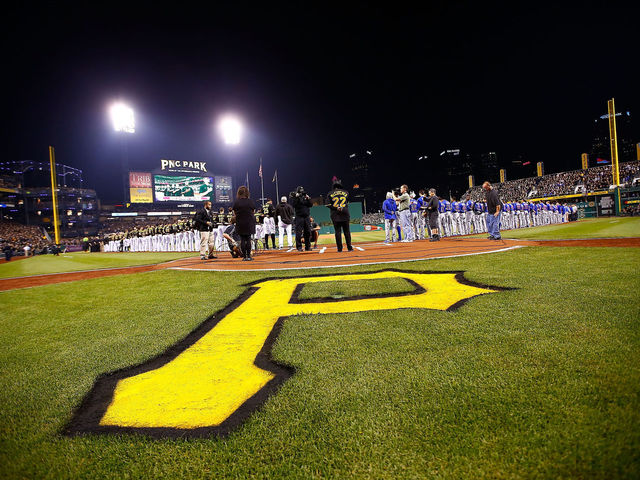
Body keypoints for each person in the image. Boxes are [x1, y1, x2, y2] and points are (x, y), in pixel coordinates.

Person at [326, 179, 353, 252]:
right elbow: (347, 202)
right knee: (347, 232)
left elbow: (327, 204)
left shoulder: (330, 193)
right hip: (345, 213)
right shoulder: (346, 192)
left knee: (337, 232)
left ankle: (339, 249)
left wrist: (336, 207)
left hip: (335, 214)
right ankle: (349, 247)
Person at [232, 186, 257, 261]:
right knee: (248, 239)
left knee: (242, 240)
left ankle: (244, 257)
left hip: (240, 223)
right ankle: (249, 256)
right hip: (249, 223)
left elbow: (234, 213)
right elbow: (253, 211)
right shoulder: (250, 201)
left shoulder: (236, 202)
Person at [290, 186, 312, 252]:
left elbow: (310, 204)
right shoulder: (295, 198)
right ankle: (299, 247)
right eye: (301, 191)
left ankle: (307, 246)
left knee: (308, 232)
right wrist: (297, 197)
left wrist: (308, 198)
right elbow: (294, 205)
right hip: (299, 217)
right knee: (299, 232)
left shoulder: (305, 197)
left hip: (306, 217)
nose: (302, 192)